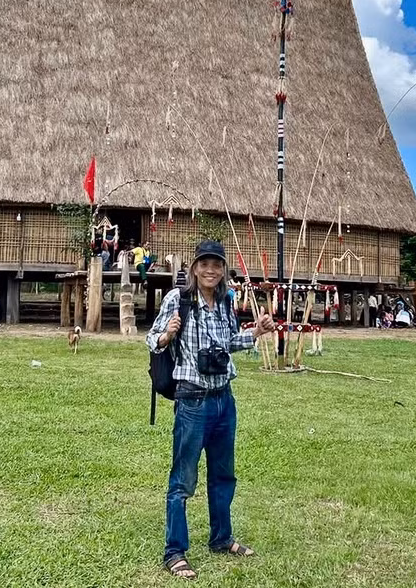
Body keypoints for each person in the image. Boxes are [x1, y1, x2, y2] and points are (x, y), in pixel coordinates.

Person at [146, 239, 275, 580]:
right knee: (182, 480)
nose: (210, 270)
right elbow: (151, 338)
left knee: (223, 475)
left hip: (223, 400)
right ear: (194, 268)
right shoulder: (179, 299)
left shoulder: (224, 303)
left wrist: (256, 333)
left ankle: (221, 538)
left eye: (216, 265)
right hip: (192, 401)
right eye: (204, 263)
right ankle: (175, 551)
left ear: (223, 271)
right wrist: (166, 335)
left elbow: (229, 342)